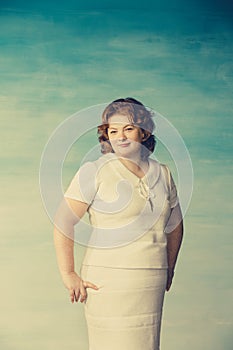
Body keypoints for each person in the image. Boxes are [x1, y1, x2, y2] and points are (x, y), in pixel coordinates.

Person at [53, 97, 184, 350]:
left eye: (128, 128)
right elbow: (63, 221)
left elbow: (175, 225)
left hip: (150, 281)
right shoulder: (95, 171)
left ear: (144, 132)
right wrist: (68, 274)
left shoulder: (163, 173)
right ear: (106, 136)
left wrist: (169, 268)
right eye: (113, 131)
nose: (121, 137)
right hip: (108, 281)